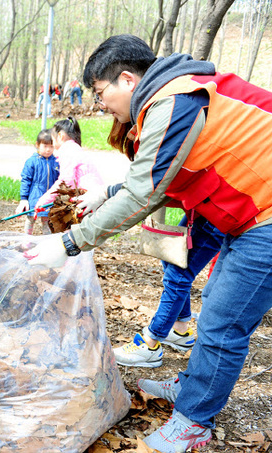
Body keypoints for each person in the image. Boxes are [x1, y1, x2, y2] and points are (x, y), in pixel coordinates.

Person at [26, 33, 272, 453]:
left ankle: (194, 421)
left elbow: (146, 192)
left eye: (102, 93)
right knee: (215, 304)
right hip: (248, 215)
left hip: (264, 216)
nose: (102, 105)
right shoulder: (177, 92)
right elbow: (170, 174)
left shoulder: (173, 98)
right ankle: (194, 386)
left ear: (127, 79)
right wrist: (107, 194)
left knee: (222, 325)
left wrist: (70, 242)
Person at [78, 119, 226, 368]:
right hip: (203, 207)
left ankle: (150, 343)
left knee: (179, 275)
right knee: (172, 260)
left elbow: (156, 187)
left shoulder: (169, 136)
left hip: (218, 210)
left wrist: (106, 194)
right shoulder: (165, 130)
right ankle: (179, 329)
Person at [34, 116, 104, 207]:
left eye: (53, 139)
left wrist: (43, 201)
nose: (53, 144)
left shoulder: (67, 151)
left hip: (88, 197)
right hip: (93, 195)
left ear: (60, 136)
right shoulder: (74, 148)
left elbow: (66, 181)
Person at [15, 129, 59, 235]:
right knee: (30, 220)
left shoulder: (56, 161)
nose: (48, 150)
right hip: (34, 197)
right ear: (38, 145)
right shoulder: (32, 161)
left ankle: (47, 241)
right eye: (45, 146)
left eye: (51, 146)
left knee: (47, 221)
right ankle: (26, 239)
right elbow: (26, 180)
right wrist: (24, 198)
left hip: (49, 198)